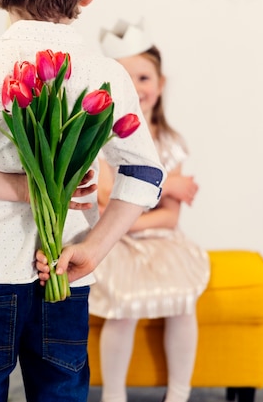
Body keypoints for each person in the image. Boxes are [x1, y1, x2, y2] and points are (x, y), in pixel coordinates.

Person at [0, 0, 165, 402]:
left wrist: (24, 188)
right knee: (61, 393)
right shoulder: (106, 73)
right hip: (66, 267)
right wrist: (93, 247)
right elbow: (146, 174)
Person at [88, 20, 211, 402]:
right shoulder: (101, 138)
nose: (136, 88)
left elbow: (169, 217)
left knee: (183, 305)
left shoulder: (170, 143)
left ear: (160, 83)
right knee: (123, 308)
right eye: (124, 78)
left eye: (143, 77)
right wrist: (166, 184)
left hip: (159, 239)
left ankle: (178, 391)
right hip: (114, 243)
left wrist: (135, 216)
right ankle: (113, 393)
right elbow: (106, 198)